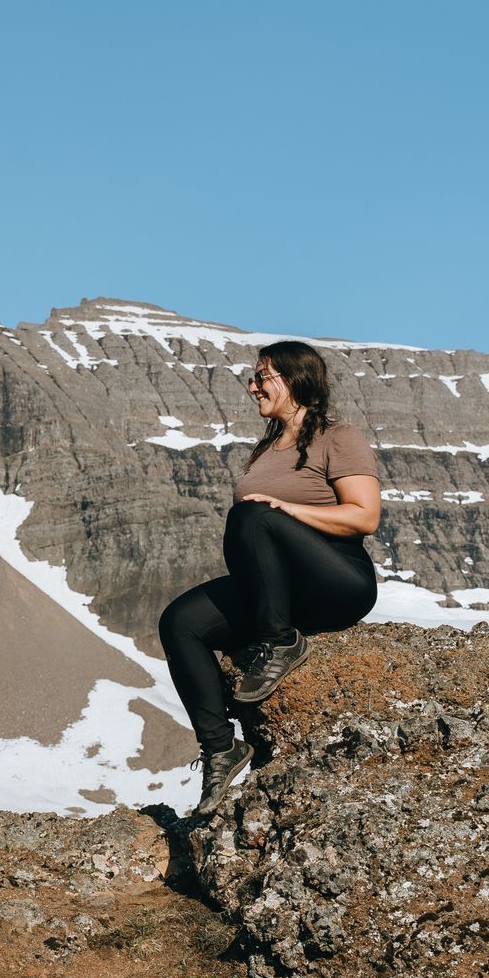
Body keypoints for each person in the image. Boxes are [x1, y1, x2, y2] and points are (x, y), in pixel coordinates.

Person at [159, 340, 382, 816]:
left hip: (338, 580)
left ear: (296, 381)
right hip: (280, 589)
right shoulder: (268, 447)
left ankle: (281, 643)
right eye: (254, 377)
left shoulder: (338, 437)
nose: (252, 385)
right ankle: (221, 747)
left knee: (253, 515)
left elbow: (365, 517)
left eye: (262, 377)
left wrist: (285, 509)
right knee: (180, 622)